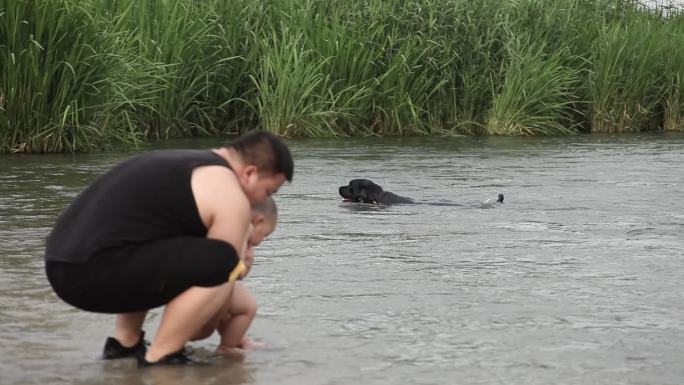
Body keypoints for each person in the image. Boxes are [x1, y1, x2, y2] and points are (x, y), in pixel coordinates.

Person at [44, 130, 293, 366]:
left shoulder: (185, 164)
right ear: (249, 173)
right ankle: (162, 357)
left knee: (161, 245)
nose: (263, 200)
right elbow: (221, 278)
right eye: (268, 190)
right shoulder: (230, 194)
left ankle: (125, 346)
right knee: (223, 259)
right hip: (93, 272)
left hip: (62, 266)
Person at [190, 197, 278, 352]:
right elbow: (237, 272)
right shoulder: (241, 235)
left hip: (196, 283)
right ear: (258, 221)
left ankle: (240, 340)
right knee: (247, 307)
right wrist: (246, 263)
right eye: (265, 235)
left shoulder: (223, 225)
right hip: (210, 286)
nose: (262, 240)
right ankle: (228, 347)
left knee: (228, 311)